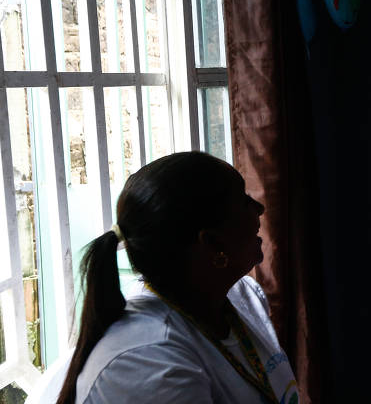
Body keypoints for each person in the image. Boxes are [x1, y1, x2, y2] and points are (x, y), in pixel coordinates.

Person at [56, 152, 300, 404]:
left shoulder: (243, 296)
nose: (259, 209)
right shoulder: (149, 362)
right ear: (212, 242)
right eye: (243, 201)